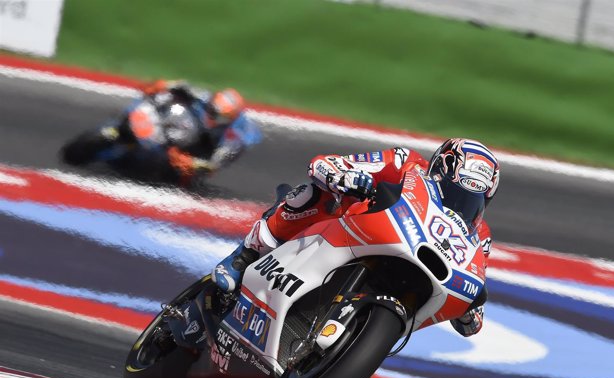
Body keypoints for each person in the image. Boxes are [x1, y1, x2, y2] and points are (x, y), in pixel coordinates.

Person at [212, 138, 500, 337]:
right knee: (312, 193)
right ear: (440, 170)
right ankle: (245, 256)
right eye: (455, 194)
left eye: (470, 202)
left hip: (409, 267)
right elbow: (324, 164)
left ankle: (343, 352)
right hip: (352, 230)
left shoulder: (480, 237)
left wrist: (469, 309)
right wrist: (345, 177)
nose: (459, 206)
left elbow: (472, 314)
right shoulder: (406, 164)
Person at [140, 79, 250, 185]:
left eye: (217, 115)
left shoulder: (231, 140)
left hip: (199, 154)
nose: (211, 114)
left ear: (227, 119)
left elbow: (212, 166)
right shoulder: (205, 98)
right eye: (211, 108)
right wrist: (165, 85)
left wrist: (190, 162)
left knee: (179, 174)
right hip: (187, 132)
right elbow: (181, 85)